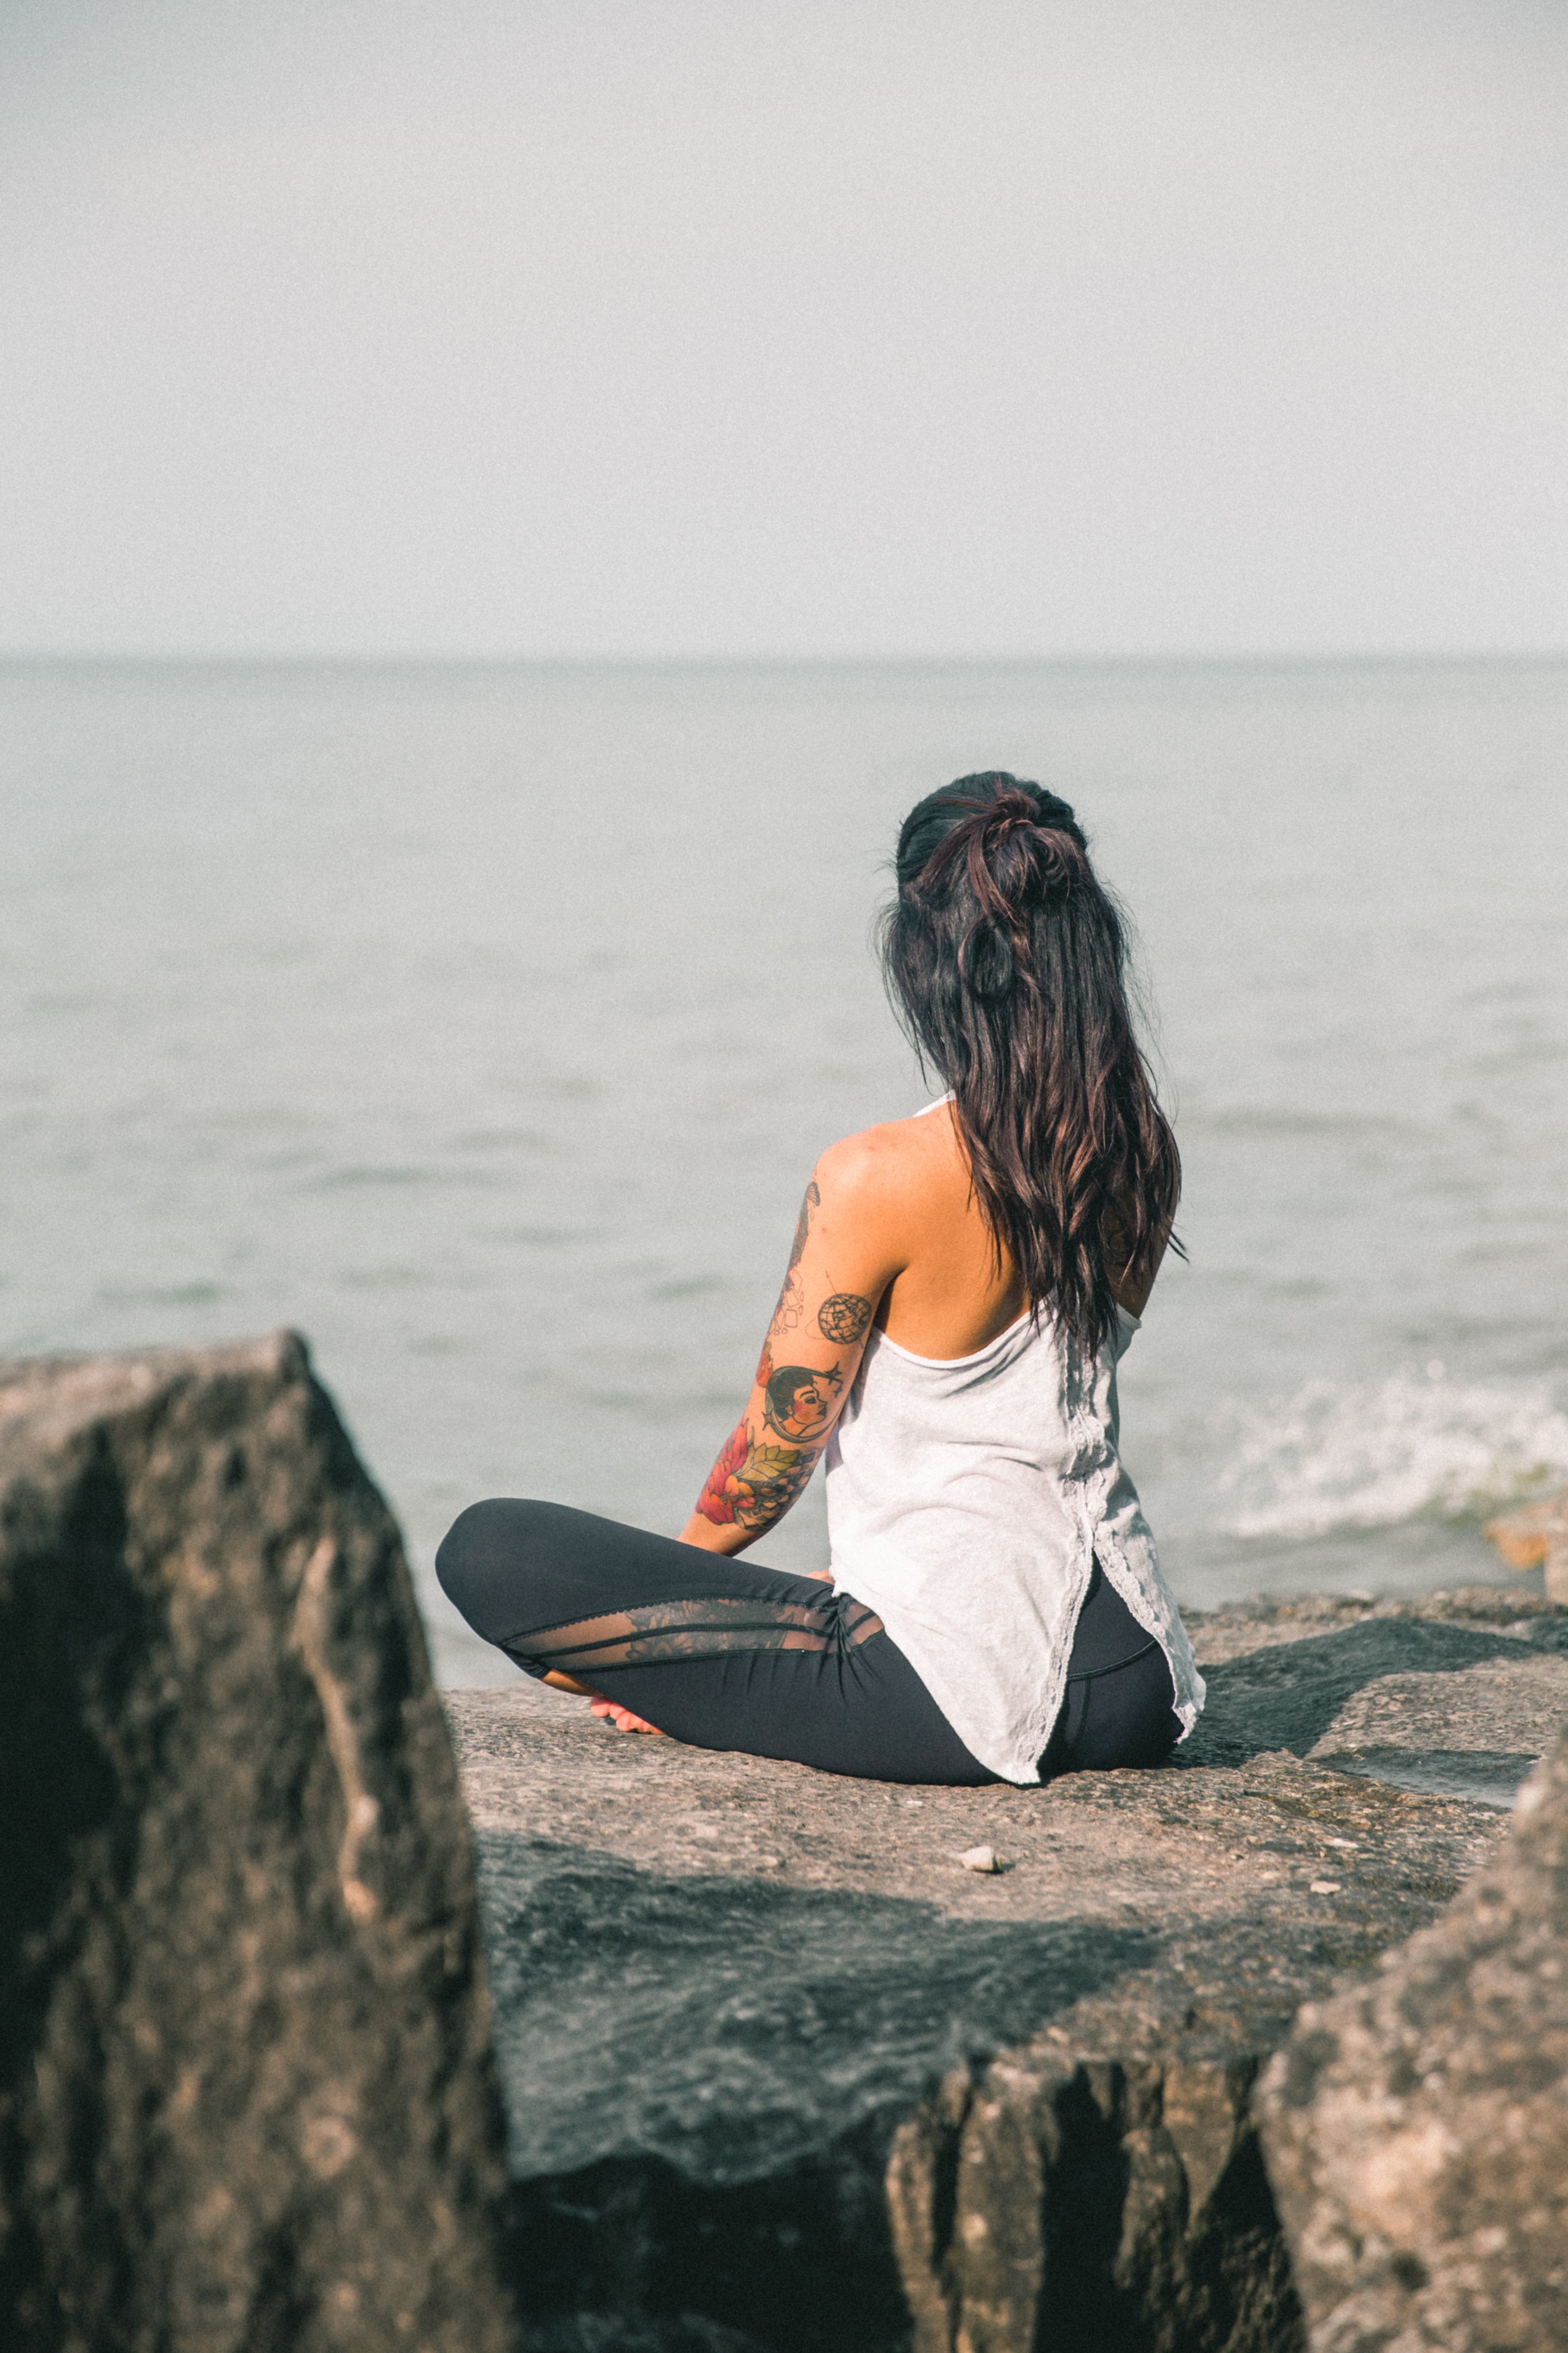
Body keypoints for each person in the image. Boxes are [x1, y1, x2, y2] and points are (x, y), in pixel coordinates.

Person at [437, 773, 1204, 1787]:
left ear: (920, 954)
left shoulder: (877, 1174)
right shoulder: (1141, 1149)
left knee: (488, 1546)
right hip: (1141, 1681)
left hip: (962, 1689)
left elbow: (771, 1457)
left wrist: (678, 1638)